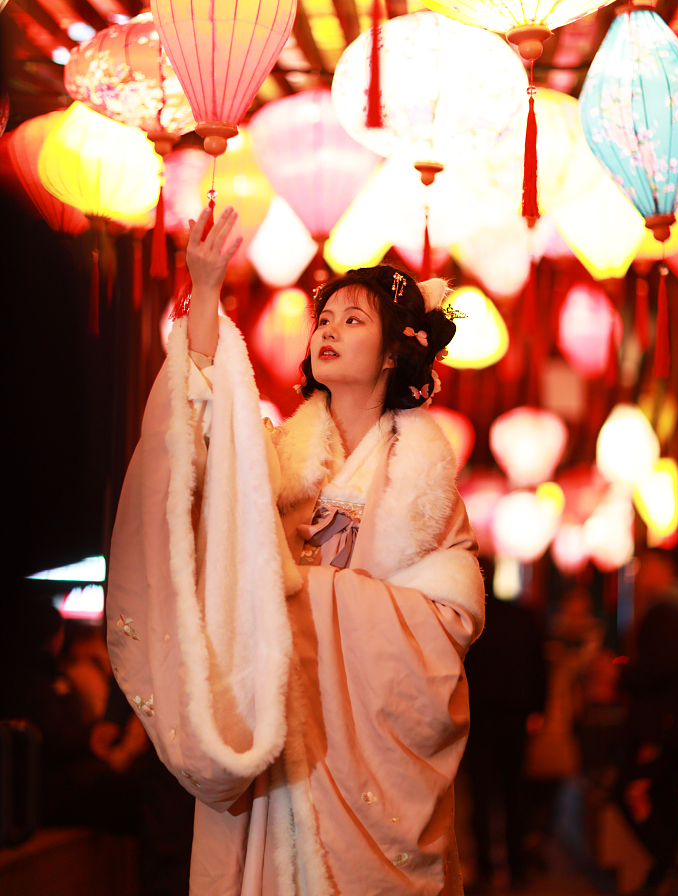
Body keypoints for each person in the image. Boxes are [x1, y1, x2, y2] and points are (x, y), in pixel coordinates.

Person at [107, 206, 485, 896]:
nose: (329, 330)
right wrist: (207, 289)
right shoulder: (272, 461)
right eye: (326, 317)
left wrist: (297, 592)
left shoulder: (426, 486)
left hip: (366, 762)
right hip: (273, 733)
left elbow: (447, 622)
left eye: (353, 319)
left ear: (399, 351)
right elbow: (194, 449)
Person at [462, 557, 547, 893]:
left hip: (479, 717)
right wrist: (538, 710)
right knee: (514, 793)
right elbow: (540, 668)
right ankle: (516, 867)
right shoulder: (522, 616)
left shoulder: (468, 619)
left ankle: (484, 867)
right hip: (515, 718)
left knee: (480, 795)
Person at [615, 549, 678, 896]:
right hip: (668, 725)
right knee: (664, 796)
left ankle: (667, 863)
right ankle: (663, 871)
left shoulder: (665, 610)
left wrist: (622, 674)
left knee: (631, 790)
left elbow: (662, 667)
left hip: (658, 726)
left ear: (661, 569)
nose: (637, 577)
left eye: (642, 569)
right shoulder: (671, 606)